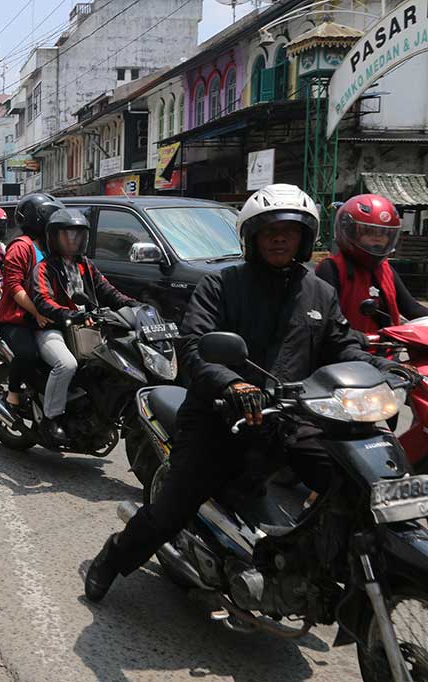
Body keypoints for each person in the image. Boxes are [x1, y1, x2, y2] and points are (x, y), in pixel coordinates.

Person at [83, 184, 417, 602]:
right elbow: (194, 347)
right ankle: (112, 559)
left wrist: (383, 366)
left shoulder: (319, 293)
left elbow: (343, 344)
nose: (279, 238)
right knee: (174, 507)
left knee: (353, 481)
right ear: (252, 237)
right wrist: (232, 383)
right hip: (222, 417)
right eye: (269, 230)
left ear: (304, 239)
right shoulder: (220, 286)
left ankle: (323, 565)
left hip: (292, 419)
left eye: (289, 231)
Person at [28, 209, 138, 442]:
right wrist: (69, 314)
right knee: (66, 365)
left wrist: (131, 304)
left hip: (84, 328)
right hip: (52, 328)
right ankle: (51, 418)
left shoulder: (85, 265)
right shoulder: (44, 268)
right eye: (68, 235)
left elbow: (107, 290)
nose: (74, 240)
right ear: (54, 238)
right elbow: (42, 301)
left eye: (79, 235)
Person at [315, 194, 428, 335]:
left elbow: (412, 309)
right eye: (370, 232)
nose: (378, 239)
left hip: (386, 349)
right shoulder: (331, 268)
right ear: (348, 231)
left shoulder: (385, 269)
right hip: (345, 352)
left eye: (384, 234)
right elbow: (327, 321)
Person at [0, 192, 63, 415]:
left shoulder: (51, 246)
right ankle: (13, 395)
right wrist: (38, 312)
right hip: (17, 320)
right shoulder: (20, 247)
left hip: (44, 316)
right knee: (28, 354)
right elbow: (14, 287)